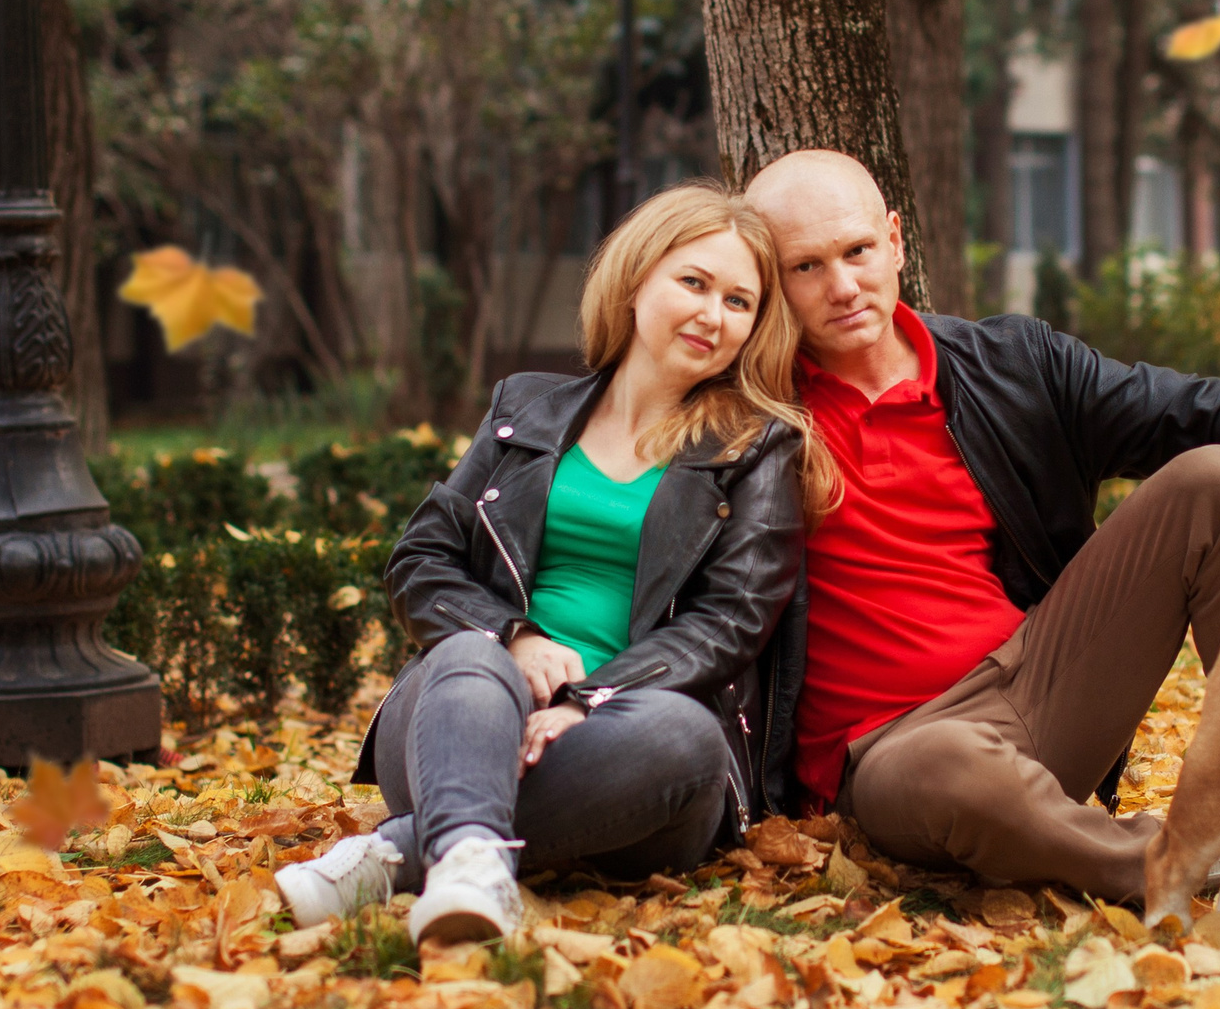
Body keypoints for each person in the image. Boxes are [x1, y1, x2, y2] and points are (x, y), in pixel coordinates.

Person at [745, 148, 1220, 904]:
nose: (843, 287)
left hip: (1040, 679)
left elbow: (1196, 407)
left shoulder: (1010, 365)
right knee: (951, 765)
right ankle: (1187, 858)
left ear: (896, 239)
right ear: (770, 282)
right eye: (806, 268)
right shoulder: (747, 413)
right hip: (897, 752)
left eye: (856, 252)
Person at [275, 184, 832, 944]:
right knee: (469, 652)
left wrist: (588, 699)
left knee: (686, 738)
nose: (713, 315)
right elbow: (421, 558)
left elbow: (730, 624)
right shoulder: (524, 409)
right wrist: (515, 639)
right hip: (464, 718)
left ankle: (415, 854)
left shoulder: (754, 449)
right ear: (638, 279)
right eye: (694, 283)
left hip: (631, 749)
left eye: (740, 301)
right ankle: (468, 858)